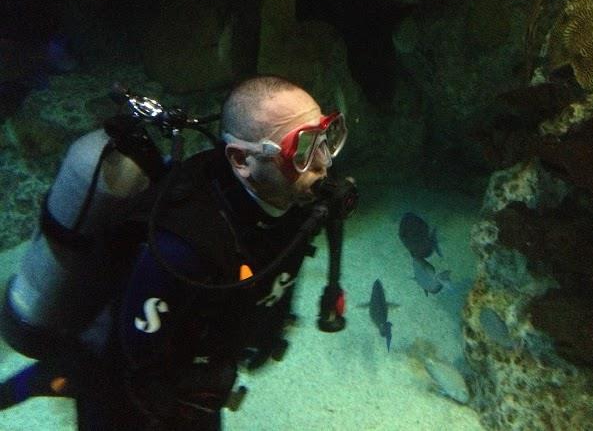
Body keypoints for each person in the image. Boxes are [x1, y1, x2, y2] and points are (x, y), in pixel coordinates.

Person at [6, 75, 348, 430]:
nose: (323, 162)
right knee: (80, 374)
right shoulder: (184, 247)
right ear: (242, 161)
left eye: (327, 137)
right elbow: (135, 355)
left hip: (194, 377)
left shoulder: (294, 198)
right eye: (304, 147)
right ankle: (40, 378)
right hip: (123, 394)